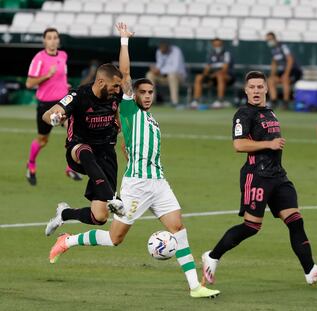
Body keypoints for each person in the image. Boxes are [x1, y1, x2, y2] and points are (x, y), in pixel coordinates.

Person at [47, 23, 220, 299]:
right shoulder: (128, 109)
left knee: (179, 230)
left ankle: (195, 287)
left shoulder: (152, 120)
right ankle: (68, 240)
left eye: (151, 93)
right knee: (114, 238)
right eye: (143, 92)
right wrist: (124, 41)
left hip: (159, 183)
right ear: (133, 94)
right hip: (136, 185)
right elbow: (125, 74)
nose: (148, 96)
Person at [201, 71, 317, 286]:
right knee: (251, 226)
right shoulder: (243, 114)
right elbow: (239, 145)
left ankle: (310, 271)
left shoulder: (270, 112)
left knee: (295, 221)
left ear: (266, 89)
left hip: (278, 176)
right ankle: (212, 256)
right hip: (257, 176)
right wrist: (269, 144)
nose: (256, 90)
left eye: (259, 87)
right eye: (252, 87)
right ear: (246, 90)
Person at [42, 63, 125, 236]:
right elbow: (48, 114)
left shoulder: (116, 95)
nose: (118, 90)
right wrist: (55, 118)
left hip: (105, 155)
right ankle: (112, 198)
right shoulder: (78, 95)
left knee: (100, 217)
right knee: (85, 151)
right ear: (101, 82)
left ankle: (64, 214)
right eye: (115, 86)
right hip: (78, 151)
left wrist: (118, 124)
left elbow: (116, 114)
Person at [25, 27, 82, 185]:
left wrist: (64, 85)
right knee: (43, 140)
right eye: (49, 38)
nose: (52, 40)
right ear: (44, 41)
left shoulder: (63, 55)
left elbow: (62, 76)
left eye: (55, 37)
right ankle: (30, 164)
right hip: (46, 107)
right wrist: (47, 75)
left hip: (63, 103)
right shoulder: (39, 59)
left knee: (75, 132)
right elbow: (29, 83)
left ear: (58, 40)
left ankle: (70, 168)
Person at [190, 38, 234, 109]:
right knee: (199, 77)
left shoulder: (226, 54)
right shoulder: (211, 54)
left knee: (220, 76)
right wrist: (206, 76)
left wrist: (213, 75)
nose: (217, 47)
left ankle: (220, 100)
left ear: (222, 44)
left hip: (227, 77)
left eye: (218, 45)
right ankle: (196, 101)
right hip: (213, 76)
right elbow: (207, 67)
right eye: (215, 45)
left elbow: (225, 69)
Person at [265, 32, 302, 110]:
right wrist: (273, 74)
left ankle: (286, 103)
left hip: (294, 71)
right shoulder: (273, 50)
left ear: (275, 39)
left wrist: (286, 74)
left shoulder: (283, 47)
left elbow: (290, 60)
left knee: (285, 79)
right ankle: (273, 101)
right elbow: (274, 63)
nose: (269, 42)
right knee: (271, 80)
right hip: (283, 71)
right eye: (267, 40)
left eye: (270, 39)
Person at [145, 42, 186, 106]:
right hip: (164, 76)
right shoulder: (159, 52)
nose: (161, 49)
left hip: (179, 77)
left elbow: (175, 68)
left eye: (162, 47)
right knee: (149, 74)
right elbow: (159, 65)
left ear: (167, 46)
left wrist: (160, 71)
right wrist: (154, 69)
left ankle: (175, 102)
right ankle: (152, 100)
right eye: (160, 47)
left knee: (172, 75)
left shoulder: (176, 51)